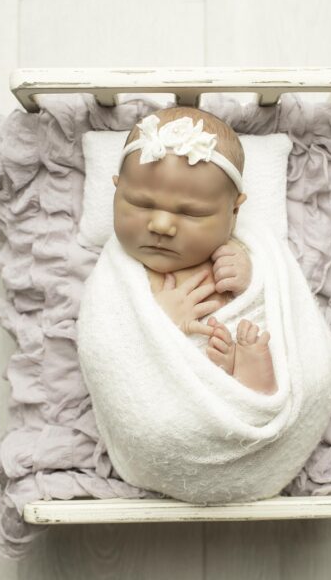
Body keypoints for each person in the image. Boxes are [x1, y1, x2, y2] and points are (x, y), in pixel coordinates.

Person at [110, 107, 277, 395]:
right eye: (142, 204)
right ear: (117, 190)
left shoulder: (240, 250)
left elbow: (277, 298)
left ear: (234, 211)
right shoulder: (115, 272)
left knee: (253, 338)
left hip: (229, 354)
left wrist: (250, 279)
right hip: (162, 391)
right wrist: (159, 320)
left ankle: (252, 382)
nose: (161, 225)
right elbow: (106, 342)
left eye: (191, 214)